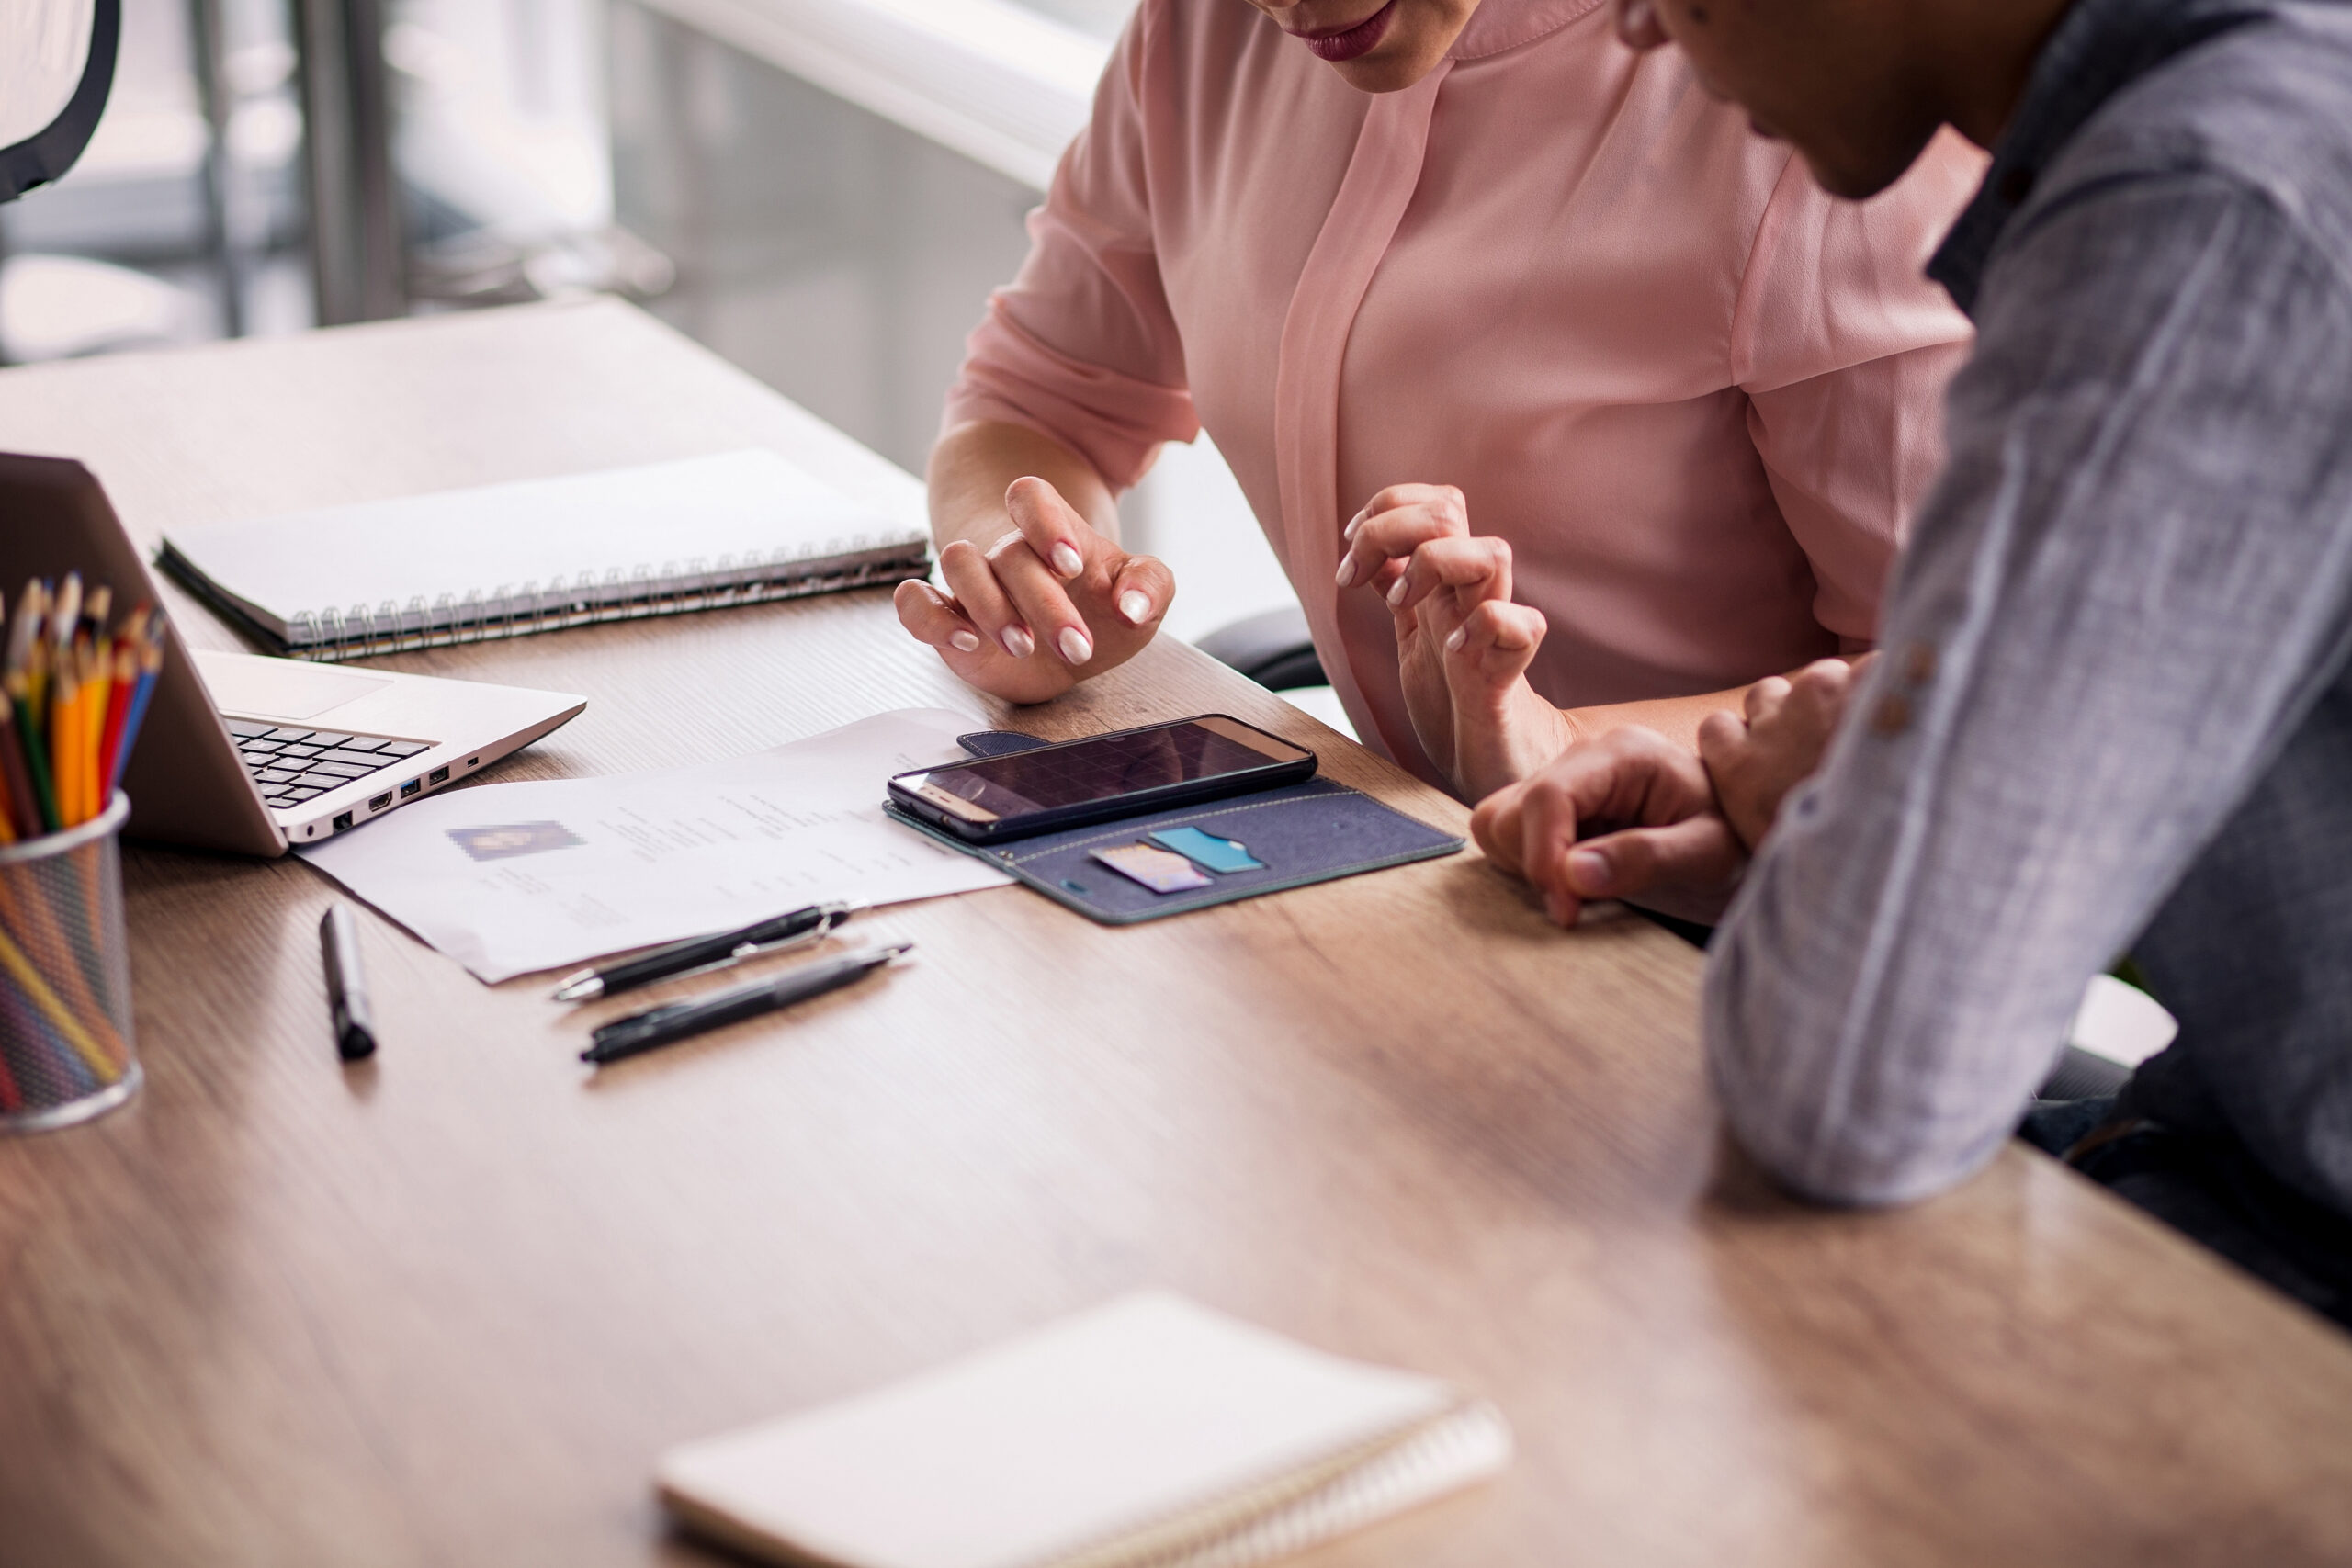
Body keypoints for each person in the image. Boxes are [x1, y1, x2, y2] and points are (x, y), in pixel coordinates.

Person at [1474, 0, 2352, 1323]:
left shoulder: (2201, 220)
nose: (1643, 26)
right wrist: (1859, 802)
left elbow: (1850, 1087)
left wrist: (1829, 821)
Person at [895, 0, 1984, 803]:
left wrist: (1561, 746)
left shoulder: (1798, 99)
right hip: (1418, 877)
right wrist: (1026, 573)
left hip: (1726, 940)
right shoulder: (1199, 29)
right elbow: (1040, 391)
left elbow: (1972, 692)